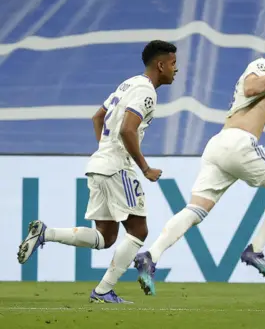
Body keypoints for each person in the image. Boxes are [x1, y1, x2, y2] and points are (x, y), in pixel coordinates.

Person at [133, 32, 265, 296]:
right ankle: (255, 249)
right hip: (239, 143)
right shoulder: (264, 66)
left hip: (220, 146)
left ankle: (150, 256)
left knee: (195, 210)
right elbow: (252, 88)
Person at [17, 40, 178, 303]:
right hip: (117, 167)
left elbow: (97, 117)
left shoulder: (128, 84)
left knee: (105, 237)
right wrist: (145, 168)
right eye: (173, 64)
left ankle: (45, 233)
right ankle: (103, 291)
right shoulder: (146, 92)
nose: (176, 69)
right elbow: (127, 129)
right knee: (139, 231)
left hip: (99, 164)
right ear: (160, 65)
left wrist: (104, 150)